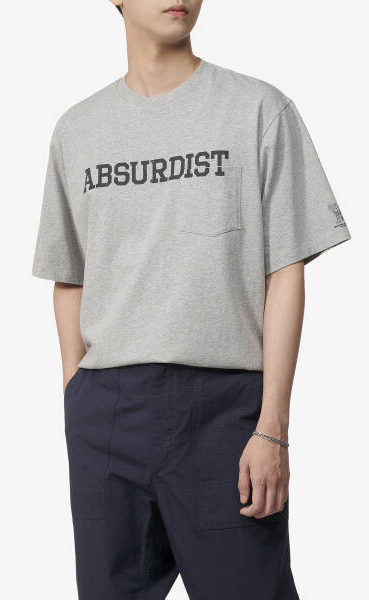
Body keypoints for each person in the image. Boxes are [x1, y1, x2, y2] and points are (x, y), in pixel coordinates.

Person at [32, 1, 350, 598]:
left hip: (223, 411)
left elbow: (285, 271)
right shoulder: (77, 129)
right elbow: (69, 275)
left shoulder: (258, 109)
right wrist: (77, 394)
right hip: (107, 411)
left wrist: (273, 425)